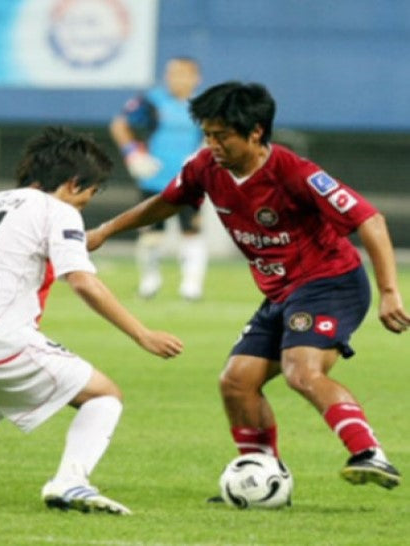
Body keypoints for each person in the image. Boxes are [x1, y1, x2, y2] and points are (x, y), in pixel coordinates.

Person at [88, 82, 410, 493]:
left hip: (331, 282)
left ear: (256, 132)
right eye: (207, 134)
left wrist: (388, 292)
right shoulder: (205, 167)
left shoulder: (296, 172)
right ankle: (260, 476)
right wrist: (105, 231)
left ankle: (369, 453)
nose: (212, 144)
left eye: (221, 136)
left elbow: (370, 220)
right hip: (280, 292)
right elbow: (166, 201)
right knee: (236, 381)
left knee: (301, 370)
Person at [0, 127, 183, 514]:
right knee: (103, 396)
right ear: (73, 183)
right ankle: (71, 481)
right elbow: (83, 283)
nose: (86, 203)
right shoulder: (59, 211)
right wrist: (143, 334)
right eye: (90, 194)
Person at [110, 56, 207, 300]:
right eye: (172, 73)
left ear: (196, 78)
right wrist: (132, 154)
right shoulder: (151, 101)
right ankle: (149, 283)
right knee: (151, 234)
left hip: (189, 181)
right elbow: (120, 124)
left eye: (183, 74)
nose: (176, 79)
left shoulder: (205, 105)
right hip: (154, 180)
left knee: (192, 231)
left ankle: (191, 287)